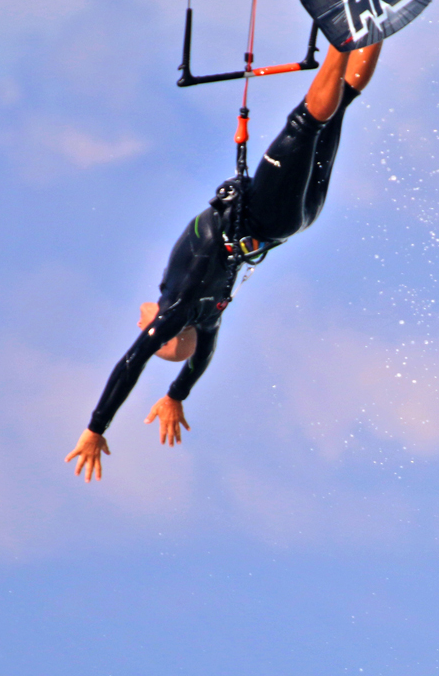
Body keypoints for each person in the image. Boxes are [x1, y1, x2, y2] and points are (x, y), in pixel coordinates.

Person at [65, 42, 381, 481]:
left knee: (339, 102)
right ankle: (344, 38)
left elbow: (202, 358)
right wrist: (95, 428)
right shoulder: (178, 306)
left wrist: (176, 395)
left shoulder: (207, 319)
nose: (139, 323)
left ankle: (375, 30)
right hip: (267, 214)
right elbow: (131, 364)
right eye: (147, 330)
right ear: (163, 332)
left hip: (292, 222)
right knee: (307, 121)